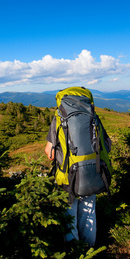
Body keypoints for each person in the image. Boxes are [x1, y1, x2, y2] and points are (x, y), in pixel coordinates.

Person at [45, 105, 111, 248]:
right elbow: (107, 145)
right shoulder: (93, 118)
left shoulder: (59, 119)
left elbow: (49, 153)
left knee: (70, 214)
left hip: (68, 177)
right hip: (92, 173)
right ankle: (90, 250)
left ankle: (74, 252)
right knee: (88, 213)